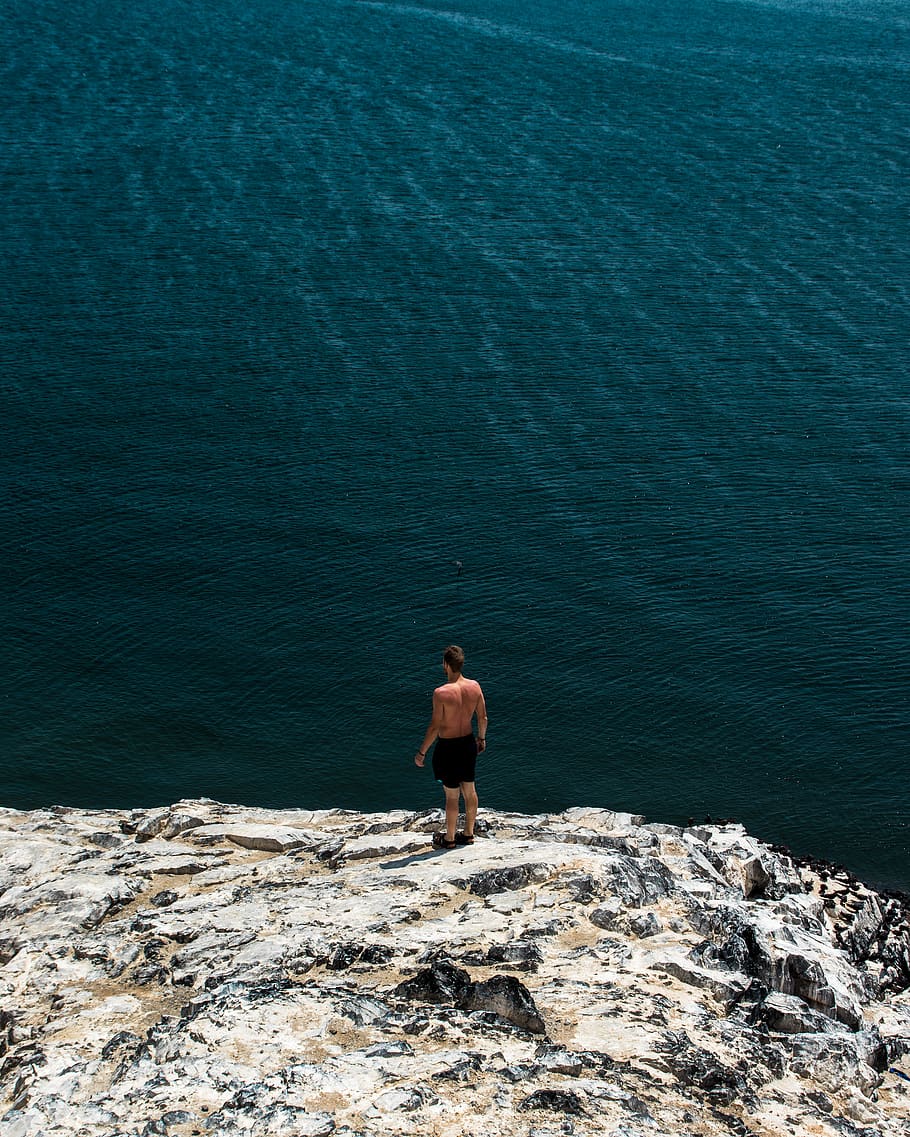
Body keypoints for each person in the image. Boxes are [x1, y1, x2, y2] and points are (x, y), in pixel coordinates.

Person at [414, 644, 487, 850]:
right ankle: (469, 833)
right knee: (470, 790)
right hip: (467, 744)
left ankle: (450, 838)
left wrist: (422, 752)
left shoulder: (441, 693)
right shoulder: (475, 687)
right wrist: (481, 739)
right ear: (461, 664)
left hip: (447, 747)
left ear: (445, 664)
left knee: (451, 795)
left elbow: (435, 726)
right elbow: (483, 717)